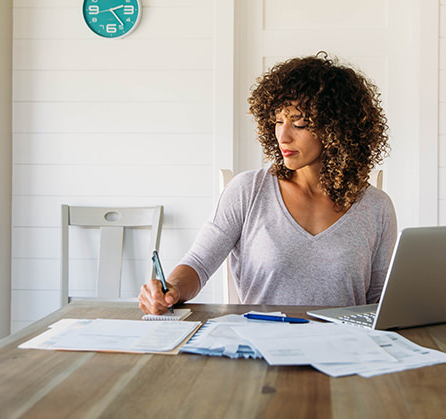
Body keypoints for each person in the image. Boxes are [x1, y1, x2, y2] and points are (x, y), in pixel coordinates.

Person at [139, 52, 396, 315]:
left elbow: (379, 301)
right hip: (261, 346)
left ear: (337, 129)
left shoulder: (376, 207)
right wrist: (171, 289)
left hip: (345, 349)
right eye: (277, 122)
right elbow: (198, 264)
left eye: (300, 124)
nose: (283, 136)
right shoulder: (248, 190)